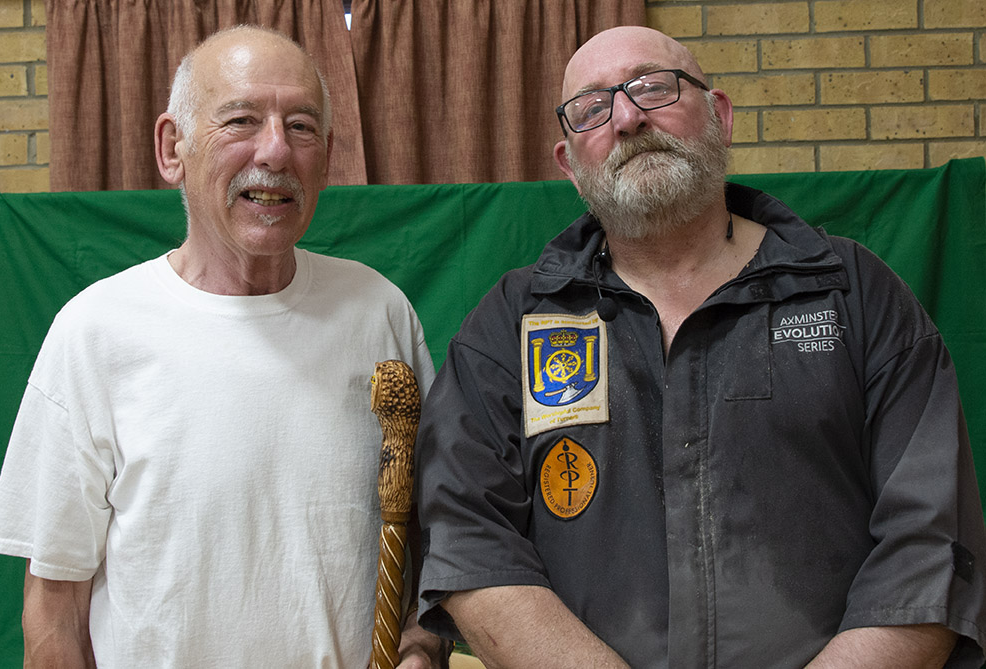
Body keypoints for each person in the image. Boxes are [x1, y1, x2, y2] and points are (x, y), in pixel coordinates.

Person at [414, 25, 986, 668]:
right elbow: (468, 537)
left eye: (653, 87)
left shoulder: (857, 296)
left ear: (720, 116)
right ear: (569, 164)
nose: (627, 118)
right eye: (592, 108)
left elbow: (931, 545)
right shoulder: (509, 327)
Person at [0, 25, 444, 667]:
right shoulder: (95, 332)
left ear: (327, 155)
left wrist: (422, 644)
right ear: (172, 148)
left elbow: (433, 544)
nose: (276, 151)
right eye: (241, 120)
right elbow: (54, 611)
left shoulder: (380, 313)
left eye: (302, 126)